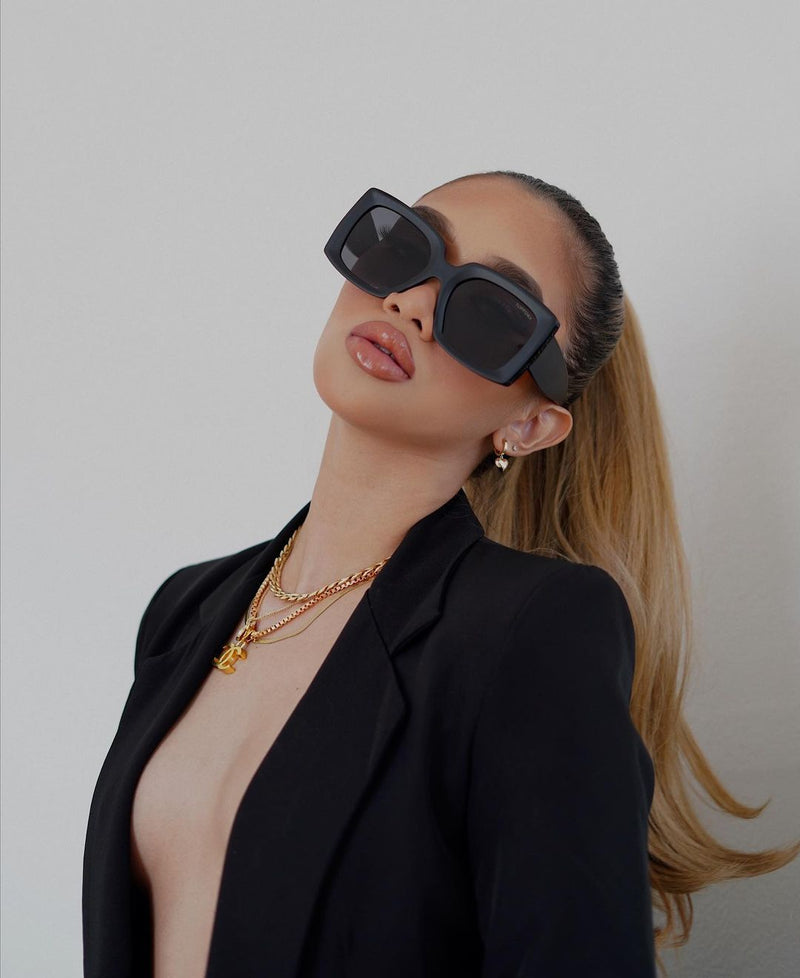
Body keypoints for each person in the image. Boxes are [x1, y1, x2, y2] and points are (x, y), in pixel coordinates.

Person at [82, 170, 800, 978]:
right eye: (403, 249)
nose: (413, 302)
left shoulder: (536, 631)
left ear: (530, 425)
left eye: (491, 312)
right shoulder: (186, 609)